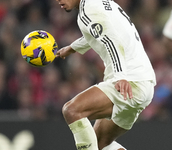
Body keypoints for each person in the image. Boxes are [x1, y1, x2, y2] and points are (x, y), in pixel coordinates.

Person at [55, 0, 156, 149]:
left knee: (72, 110)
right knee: (98, 143)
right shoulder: (101, 3)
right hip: (143, 82)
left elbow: (110, 40)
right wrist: (72, 47)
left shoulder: (88, 10)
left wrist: (121, 76)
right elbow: (103, 32)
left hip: (130, 81)